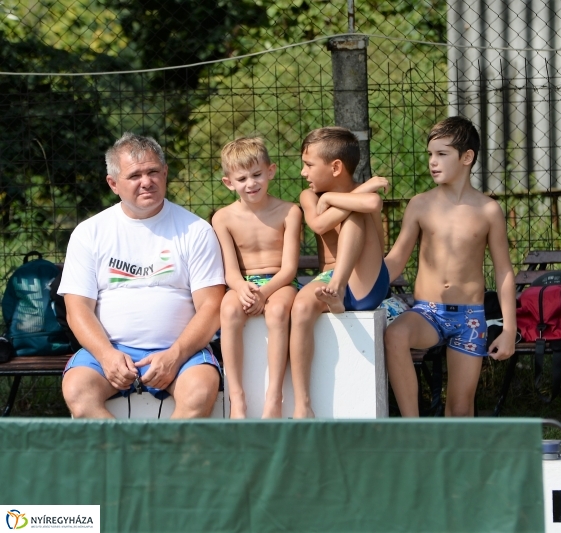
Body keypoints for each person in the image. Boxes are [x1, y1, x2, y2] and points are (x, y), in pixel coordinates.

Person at [59, 133, 226, 419]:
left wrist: (175, 355)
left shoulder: (196, 230)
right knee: (77, 390)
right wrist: (106, 355)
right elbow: (77, 310)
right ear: (113, 184)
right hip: (110, 351)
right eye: (134, 175)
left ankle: (159, 463)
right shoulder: (89, 233)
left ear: (165, 173)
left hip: (181, 350)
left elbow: (211, 307)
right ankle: (129, 460)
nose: (146, 181)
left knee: (200, 391)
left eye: (152, 172)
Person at [383, 116, 517, 417]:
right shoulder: (420, 204)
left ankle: (454, 456)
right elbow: (396, 259)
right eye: (430, 154)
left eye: (442, 154)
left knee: (459, 410)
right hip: (426, 313)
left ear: (466, 157)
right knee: (395, 335)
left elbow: (504, 271)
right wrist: (361, 283)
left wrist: (509, 328)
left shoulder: (488, 210)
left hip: (470, 318)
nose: (433, 161)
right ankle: (412, 428)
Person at [289, 126, 390, 419]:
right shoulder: (309, 196)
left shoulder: (354, 195)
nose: (303, 173)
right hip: (328, 280)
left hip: (366, 278)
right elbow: (319, 225)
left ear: (335, 167)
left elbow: (370, 203)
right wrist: (344, 195)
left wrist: (333, 200)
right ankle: (303, 403)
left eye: (308, 165)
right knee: (302, 306)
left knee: (355, 215)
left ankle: (340, 286)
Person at [211, 136, 302, 419]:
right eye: (242, 178)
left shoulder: (289, 211)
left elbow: (289, 269)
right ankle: (236, 396)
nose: (251, 183)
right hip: (245, 283)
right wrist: (240, 288)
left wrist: (264, 293)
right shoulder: (223, 218)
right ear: (229, 183)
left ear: (271, 171)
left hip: (280, 283)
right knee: (228, 309)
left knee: (276, 313)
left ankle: (274, 396)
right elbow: (230, 271)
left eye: (257, 175)